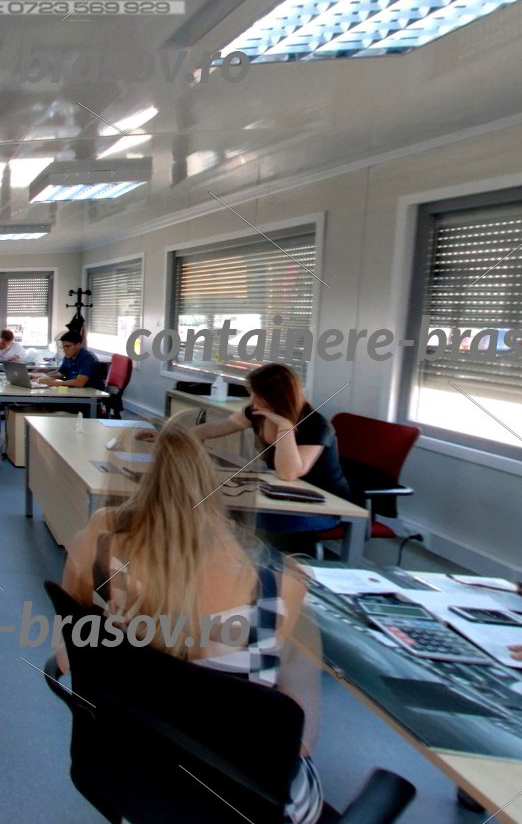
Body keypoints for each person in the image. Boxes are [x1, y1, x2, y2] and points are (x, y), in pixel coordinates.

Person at [61, 415, 326, 823]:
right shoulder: (281, 589)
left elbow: (67, 660)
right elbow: (300, 742)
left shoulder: (95, 556)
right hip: (241, 804)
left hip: (126, 767)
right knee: (293, 659)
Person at [180, 363, 347, 537]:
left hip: (323, 507)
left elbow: (288, 474)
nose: (253, 400)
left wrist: (284, 426)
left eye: (259, 395)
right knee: (215, 506)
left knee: (239, 516)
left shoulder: (316, 425)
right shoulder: (257, 412)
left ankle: (257, 553)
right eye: (252, 393)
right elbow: (215, 428)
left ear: (278, 396)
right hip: (280, 494)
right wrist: (179, 436)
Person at [37, 330, 105, 388]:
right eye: (63, 347)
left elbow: (79, 383)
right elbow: (60, 373)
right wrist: (41, 377)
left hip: (91, 394)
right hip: (75, 391)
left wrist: (54, 383)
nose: (64, 350)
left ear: (78, 345)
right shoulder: (68, 357)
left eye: (67, 346)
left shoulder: (87, 359)